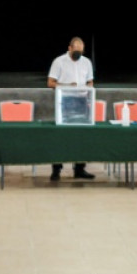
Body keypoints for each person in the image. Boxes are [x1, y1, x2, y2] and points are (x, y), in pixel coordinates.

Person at [47, 36, 95, 181]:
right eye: (76, 51)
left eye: (81, 52)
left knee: (81, 135)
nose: (78, 55)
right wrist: (67, 86)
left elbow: (90, 81)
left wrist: (88, 89)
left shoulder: (86, 62)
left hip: (81, 102)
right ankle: (56, 169)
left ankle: (80, 168)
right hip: (64, 101)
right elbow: (50, 83)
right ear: (69, 48)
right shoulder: (59, 61)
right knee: (60, 136)